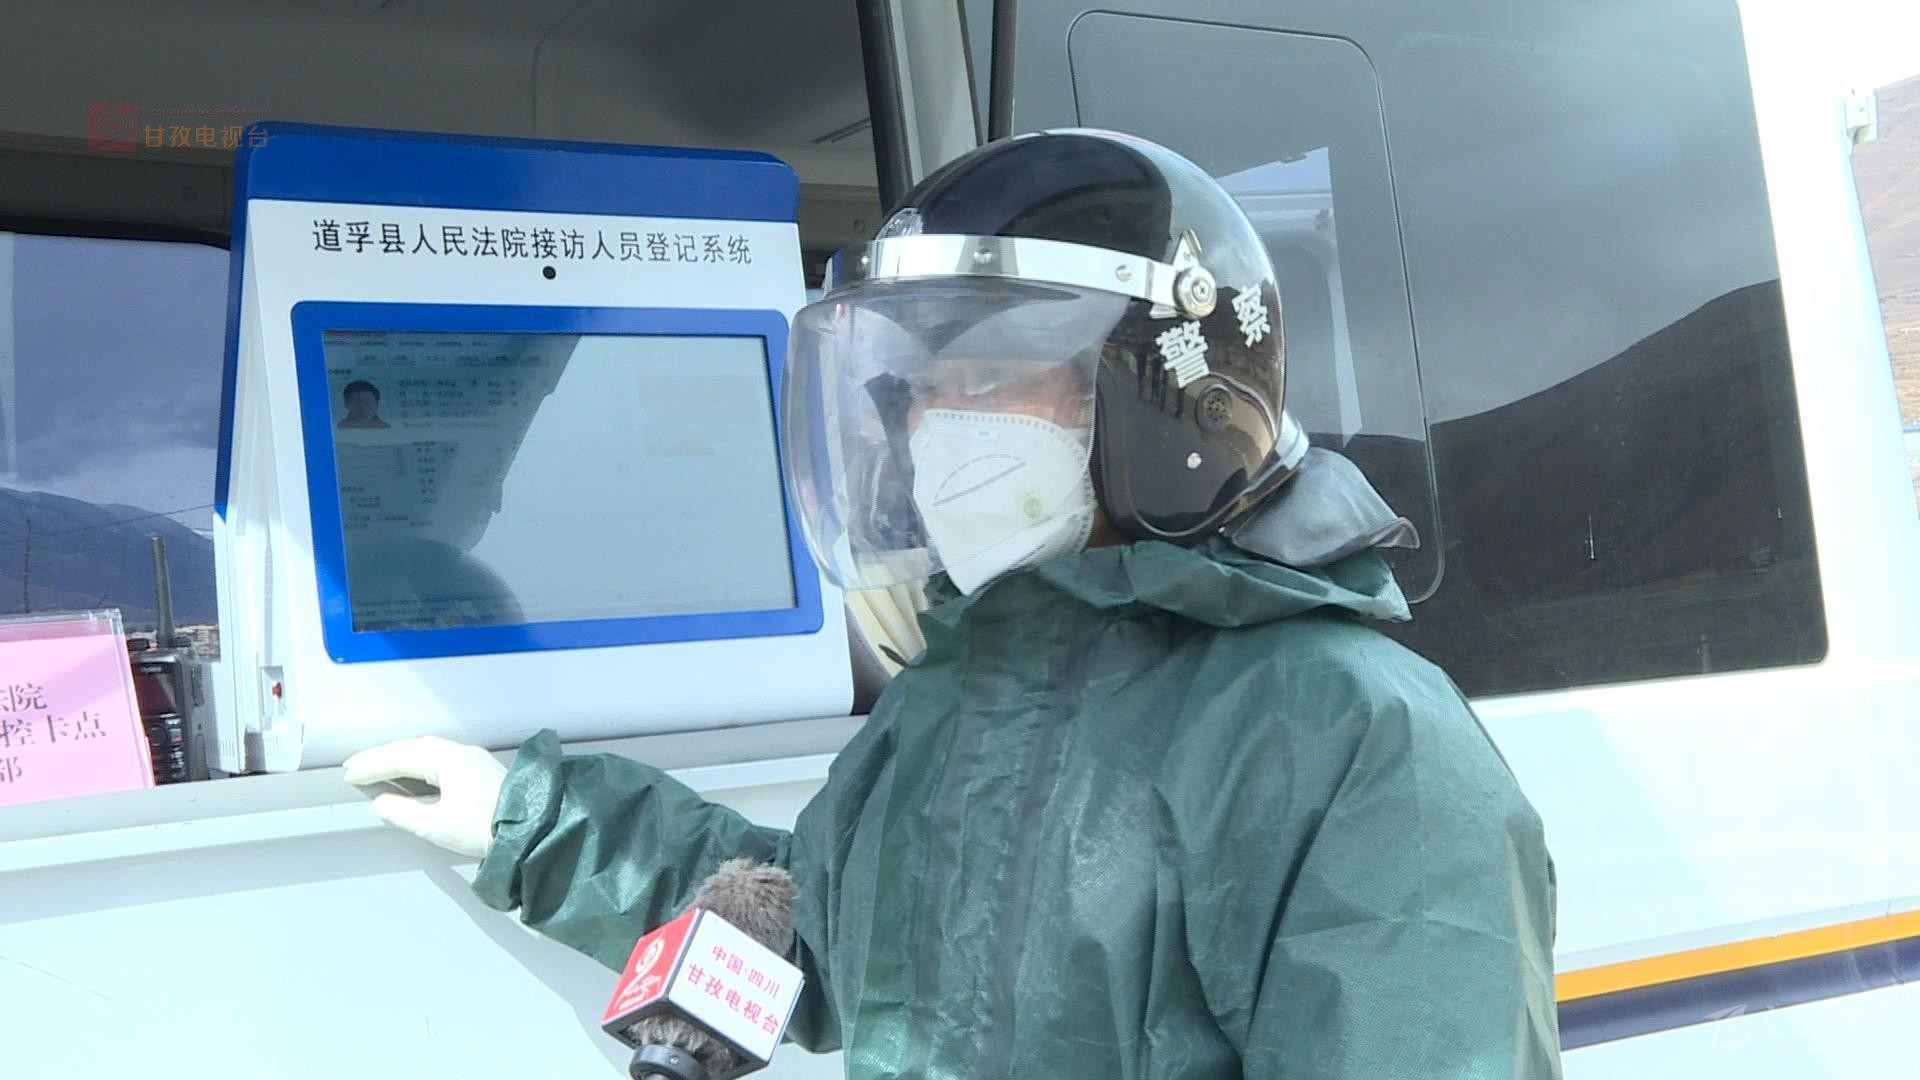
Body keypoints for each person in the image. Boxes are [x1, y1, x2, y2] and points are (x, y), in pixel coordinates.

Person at [344, 130, 1563, 1079]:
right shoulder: (972, 691)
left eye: (992, 377)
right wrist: (536, 824)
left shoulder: (1350, 739)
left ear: (1162, 406)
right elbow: (819, 929)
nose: (938, 431)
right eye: (922, 391)